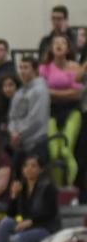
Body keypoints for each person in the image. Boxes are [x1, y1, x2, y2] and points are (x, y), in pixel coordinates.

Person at [39, 34, 83, 187]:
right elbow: (43, 91)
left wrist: (54, 93)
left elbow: (77, 93)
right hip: (51, 112)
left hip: (72, 111)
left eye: (63, 43)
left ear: (68, 48)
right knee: (54, 152)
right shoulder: (44, 68)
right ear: (51, 48)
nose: (59, 45)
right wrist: (66, 92)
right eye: (55, 43)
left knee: (65, 151)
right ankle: (58, 187)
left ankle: (70, 187)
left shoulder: (74, 67)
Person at [10, 57, 51, 167]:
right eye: (20, 67)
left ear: (35, 69)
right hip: (20, 143)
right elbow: (13, 116)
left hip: (36, 141)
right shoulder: (19, 92)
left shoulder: (40, 90)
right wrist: (13, 132)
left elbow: (37, 119)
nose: (22, 71)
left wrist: (19, 134)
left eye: (26, 67)